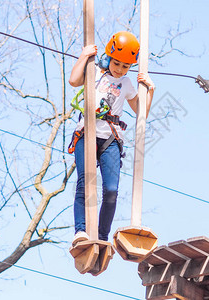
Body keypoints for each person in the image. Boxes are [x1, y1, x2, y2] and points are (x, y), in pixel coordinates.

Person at [68, 31, 155, 245]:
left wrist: (150, 89)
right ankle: (80, 230)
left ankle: (102, 234)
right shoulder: (94, 71)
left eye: (126, 66)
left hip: (110, 139)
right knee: (84, 184)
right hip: (86, 133)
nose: (120, 69)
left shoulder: (126, 84)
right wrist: (83, 56)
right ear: (109, 58)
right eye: (117, 63)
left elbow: (141, 111)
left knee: (111, 190)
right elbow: (73, 81)